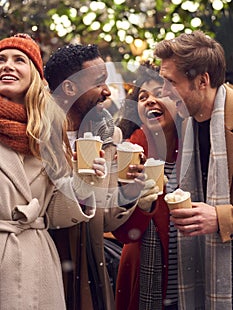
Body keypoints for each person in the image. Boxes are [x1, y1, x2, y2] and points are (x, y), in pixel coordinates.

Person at [0, 33, 106, 309]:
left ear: (34, 75)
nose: (7, 65)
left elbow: (55, 213)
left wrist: (84, 181)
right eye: (1, 60)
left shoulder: (47, 133)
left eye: (19, 60)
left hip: (38, 263)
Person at [44, 43, 153, 310]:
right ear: (69, 88)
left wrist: (130, 191)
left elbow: (104, 218)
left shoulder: (109, 135)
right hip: (47, 258)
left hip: (90, 267)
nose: (107, 92)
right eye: (99, 83)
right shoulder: (36, 133)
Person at [154, 30, 233, 310]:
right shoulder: (185, 124)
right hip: (200, 273)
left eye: (170, 82)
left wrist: (221, 218)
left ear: (202, 81)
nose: (162, 92)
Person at [113, 61, 183, 310]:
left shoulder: (195, 147)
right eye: (143, 96)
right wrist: (138, 200)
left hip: (190, 268)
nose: (150, 100)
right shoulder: (128, 153)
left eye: (160, 93)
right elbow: (122, 231)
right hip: (143, 271)